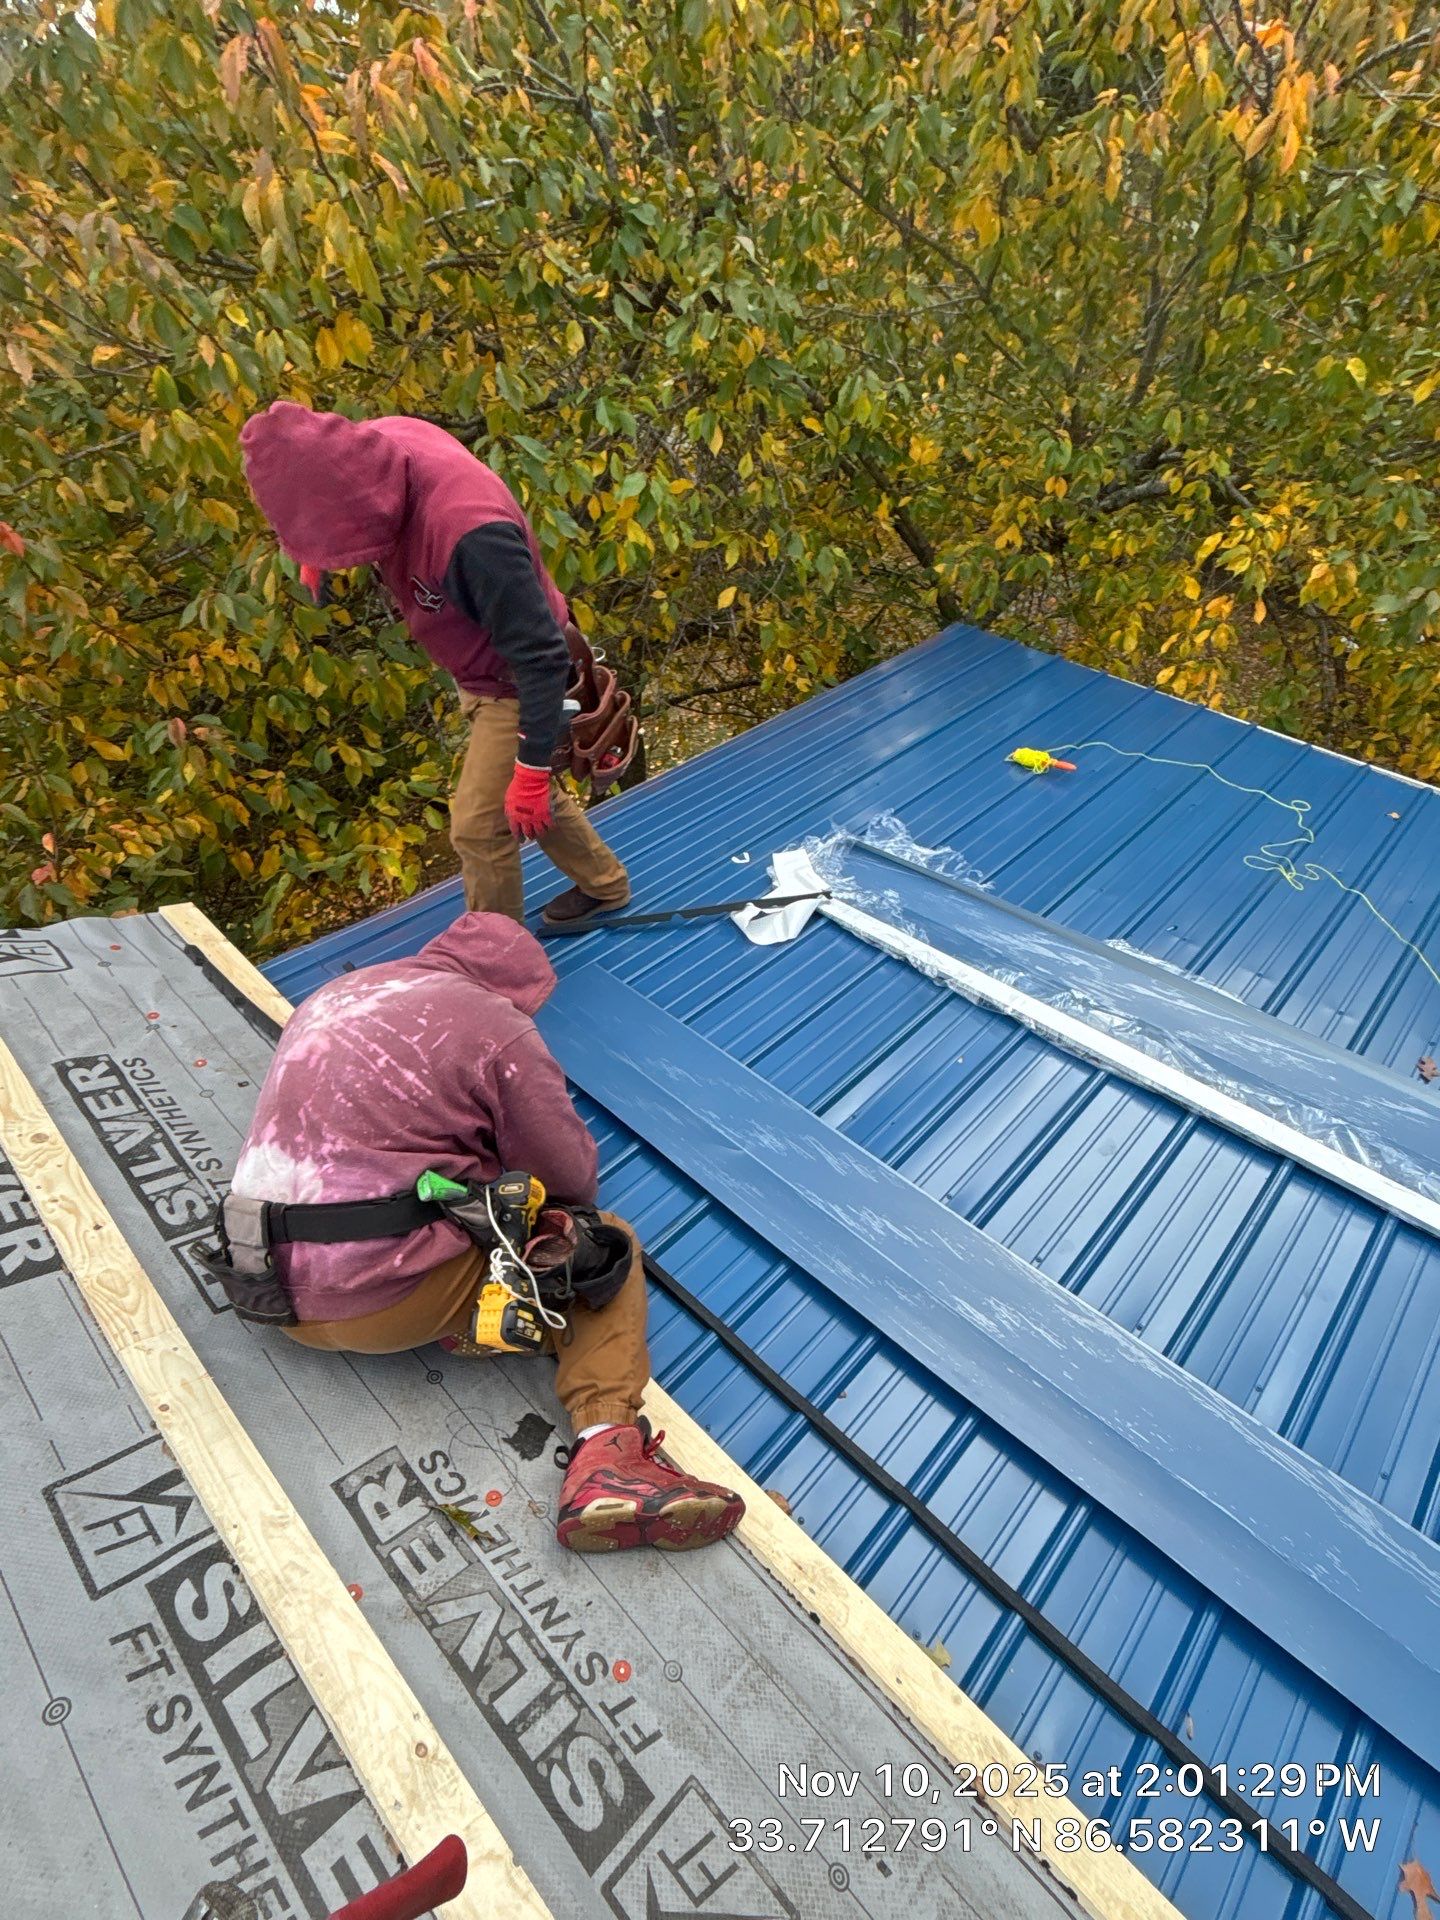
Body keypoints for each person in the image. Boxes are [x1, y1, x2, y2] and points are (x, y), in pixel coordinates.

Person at [218, 910, 743, 1553]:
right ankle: (609, 1455)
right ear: (517, 988)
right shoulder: (499, 1026)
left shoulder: (334, 995)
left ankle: (465, 1318)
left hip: (260, 1283)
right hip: (383, 1302)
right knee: (598, 1244)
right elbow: (566, 1175)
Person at [239, 401, 633, 931]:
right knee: (518, 796)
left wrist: (535, 770)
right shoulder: (377, 443)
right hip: (478, 664)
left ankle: (497, 958)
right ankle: (605, 886)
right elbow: (322, 480)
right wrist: (319, 544)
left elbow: (542, 657)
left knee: (477, 826)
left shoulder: (471, 535)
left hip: (516, 678)